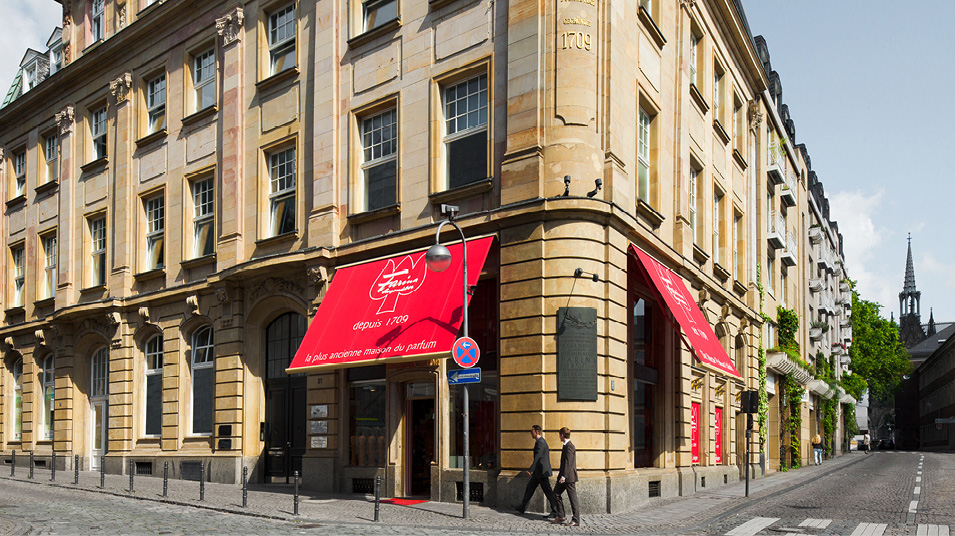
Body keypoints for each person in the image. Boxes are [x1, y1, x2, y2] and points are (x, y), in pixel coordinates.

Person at [515, 425, 558, 517]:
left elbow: (538, 457)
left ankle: (555, 510)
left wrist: (531, 469)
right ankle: (522, 507)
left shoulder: (540, 442)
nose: (531, 433)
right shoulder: (539, 442)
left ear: (537, 432)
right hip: (538, 472)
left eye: (532, 431)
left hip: (542, 472)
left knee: (548, 492)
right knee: (530, 488)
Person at [551, 427, 580, 527]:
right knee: (556, 494)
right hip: (563, 477)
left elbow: (568, 462)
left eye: (559, 435)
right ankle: (561, 516)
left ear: (562, 435)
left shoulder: (570, 446)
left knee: (573, 499)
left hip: (568, 477)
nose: (559, 437)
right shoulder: (566, 445)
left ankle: (576, 520)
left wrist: (564, 476)